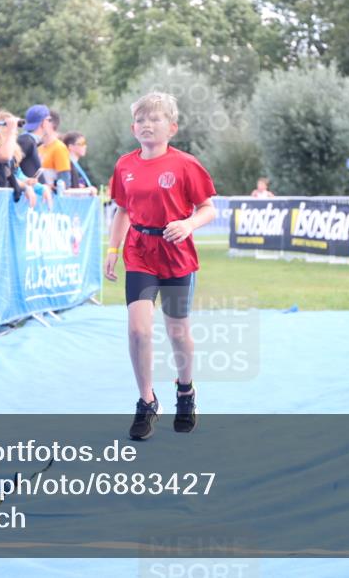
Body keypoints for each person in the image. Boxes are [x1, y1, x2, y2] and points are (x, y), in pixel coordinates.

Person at [104, 92, 217, 440]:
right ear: (133, 128)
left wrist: (188, 224)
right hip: (139, 251)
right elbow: (122, 210)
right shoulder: (125, 166)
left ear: (172, 127)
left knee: (177, 331)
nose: (147, 125)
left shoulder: (186, 165)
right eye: (140, 120)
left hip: (176, 253)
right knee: (138, 330)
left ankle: (186, 391)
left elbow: (208, 208)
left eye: (155, 119)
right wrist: (113, 249)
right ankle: (147, 401)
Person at [18, 104, 49, 183]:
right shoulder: (26, 141)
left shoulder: (30, 141)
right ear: (43, 123)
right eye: (48, 120)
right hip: (27, 189)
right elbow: (12, 168)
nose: (49, 123)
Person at [40, 122, 72, 189]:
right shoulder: (39, 149)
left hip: (53, 194)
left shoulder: (59, 148)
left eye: (42, 125)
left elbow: (64, 181)